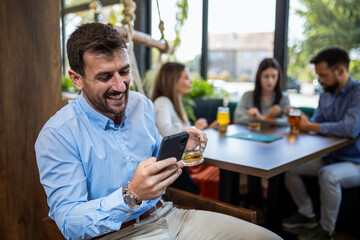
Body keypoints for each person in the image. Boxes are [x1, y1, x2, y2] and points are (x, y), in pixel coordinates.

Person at [35, 23, 281, 240]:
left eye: (124, 71)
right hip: (116, 234)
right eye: (105, 76)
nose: (120, 86)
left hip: (169, 215)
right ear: (76, 79)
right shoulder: (58, 135)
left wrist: (181, 149)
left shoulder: (141, 105)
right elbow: (69, 223)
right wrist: (130, 195)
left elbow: (157, 156)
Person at [283, 47, 360, 240]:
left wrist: (312, 126)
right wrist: (302, 120)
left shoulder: (357, 93)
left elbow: (349, 129)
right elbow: (315, 122)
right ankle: (307, 215)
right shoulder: (326, 93)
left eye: (323, 75)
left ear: (341, 71)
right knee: (290, 168)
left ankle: (327, 232)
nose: (319, 80)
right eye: (318, 75)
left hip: (355, 162)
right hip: (331, 157)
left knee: (328, 175)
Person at [151, 62, 219, 197]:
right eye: (186, 77)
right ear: (173, 81)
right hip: (174, 170)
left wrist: (207, 128)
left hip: (182, 165)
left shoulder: (175, 103)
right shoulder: (163, 101)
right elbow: (166, 131)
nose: (191, 81)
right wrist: (193, 128)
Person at [233, 58, 290, 200]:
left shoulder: (283, 97)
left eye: (273, 76)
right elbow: (238, 117)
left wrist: (260, 117)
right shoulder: (248, 95)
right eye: (266, 76)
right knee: (240, 162)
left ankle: (265, 207)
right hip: (249, 143)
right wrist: (269, 118)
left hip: (275, 145)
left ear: (278, 77)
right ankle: (247, 204)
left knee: (269, 165)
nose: (270, 80)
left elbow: (289, 122)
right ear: (259, 77)